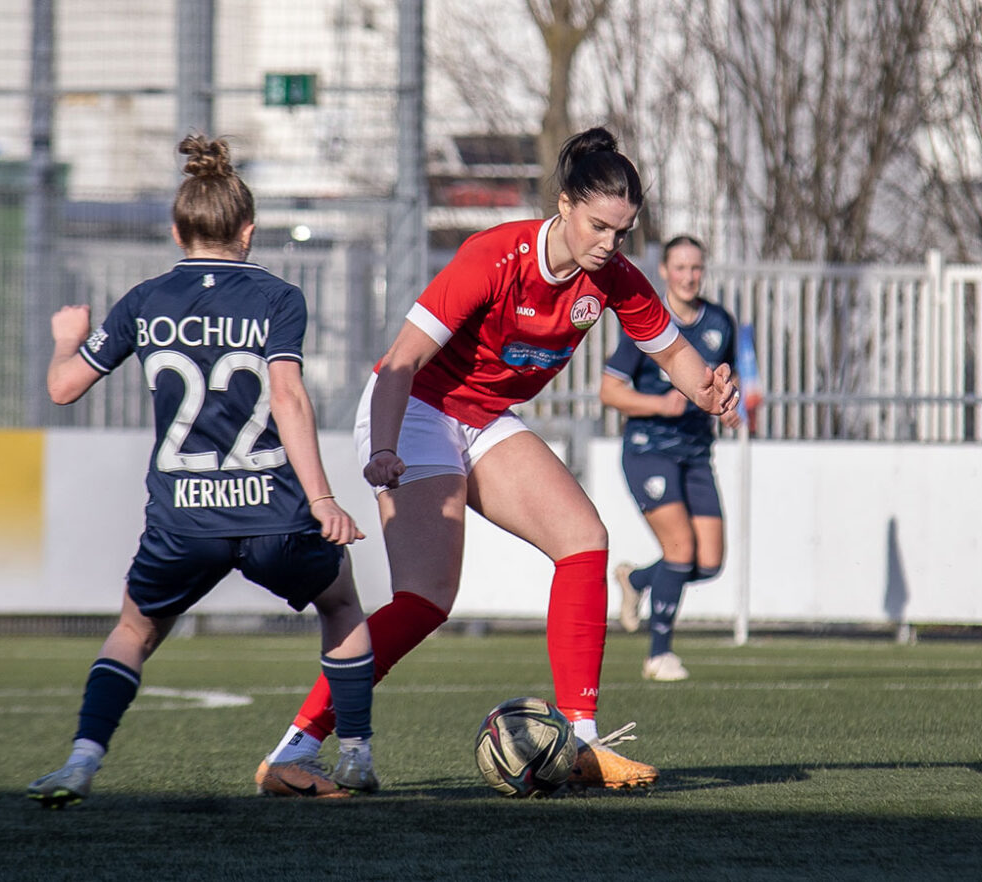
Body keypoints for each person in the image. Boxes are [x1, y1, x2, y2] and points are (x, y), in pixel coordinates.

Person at [252, 127, 740, 794]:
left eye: (622, 233)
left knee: (583, 540)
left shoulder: (614, 278)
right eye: (598, 226)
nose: (609, 244)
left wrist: (707, 389)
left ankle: (582, 743)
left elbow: (674, 353)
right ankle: (293, 750)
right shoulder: (494, 256)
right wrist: (387, 449)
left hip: (483, 418)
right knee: (426, 599)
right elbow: (400, 362)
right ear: (564, 205)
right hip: (417, 408)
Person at [27, 134, 378, 806]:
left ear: (175, 231)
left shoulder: (143, 300)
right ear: (248, 232)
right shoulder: (279, 298)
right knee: (339, 602)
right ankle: (357, 755)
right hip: (273, 510)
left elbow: (64, 388)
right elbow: (287, 396)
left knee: (134, 629)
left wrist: (67, 341)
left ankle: (80, 761)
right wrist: (324, 499)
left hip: (183, 517)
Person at [600, 235, 741, 682]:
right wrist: (662, 405)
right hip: (649, 449)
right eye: (679, 267)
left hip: (697, 452)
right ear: (663, 271)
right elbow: (610, 391)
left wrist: (728, 401)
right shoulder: (646, 321)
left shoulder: (720, 321)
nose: (688, 276)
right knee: (679, 550)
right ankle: (659, 654)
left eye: (695, 268)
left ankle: (637, 580)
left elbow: (725, 378)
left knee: (709, 562)